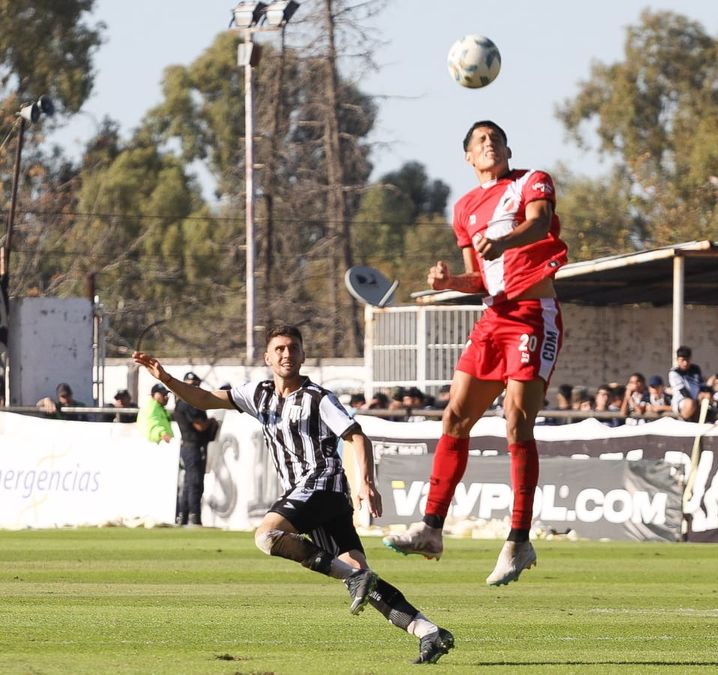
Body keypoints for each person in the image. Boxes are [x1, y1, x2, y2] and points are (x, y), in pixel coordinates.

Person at [132, 326, 454, 663]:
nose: (287, 354)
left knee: (267, 535)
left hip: (322, 484)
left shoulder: (318, 397)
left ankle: (357, 579)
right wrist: (166, 378)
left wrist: (366, 483)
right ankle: (427, 631)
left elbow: (357, 437)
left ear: (303, 355)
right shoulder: (257, 394)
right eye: (280, 348)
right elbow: (204, 399)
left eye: (293, 348)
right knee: (360, 574)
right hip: (314, 497)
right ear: (268, 357)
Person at [382, 121, 567, 588]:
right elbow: (479, 279)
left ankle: (519, 539)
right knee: (454, 418)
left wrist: (504, 241)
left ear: (508, 148)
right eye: (479, 140)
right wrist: (449, 284)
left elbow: (540, 223)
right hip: (492, 316)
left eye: (495, 137)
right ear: (468, 157)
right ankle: (431, 529)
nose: (489, 143)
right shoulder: (464, 207)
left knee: (516, 421)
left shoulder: (531, 181)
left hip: (532, 313)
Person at [172, 371, 217, 527]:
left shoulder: (182, 402)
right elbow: (200, 425)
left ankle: (183, 517)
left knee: (188, 483)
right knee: (195, 482)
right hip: (192, 446)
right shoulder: (188, 403)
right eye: (192, 385)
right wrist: (212, 421)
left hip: (189, 446)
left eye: (197, 384)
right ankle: (194, 517)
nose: (196, 387)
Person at [668, 345, 704, 422]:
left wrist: (704, 394)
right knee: (690, 403)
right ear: (677, 360)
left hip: (697, 400)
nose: (685, 363)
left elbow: (701, 384)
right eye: (682, 360)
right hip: (682, 401)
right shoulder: (674, 373)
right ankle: (681, 422)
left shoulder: (696, 369)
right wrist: (696, 399)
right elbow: (683, 391)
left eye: (687, 360)